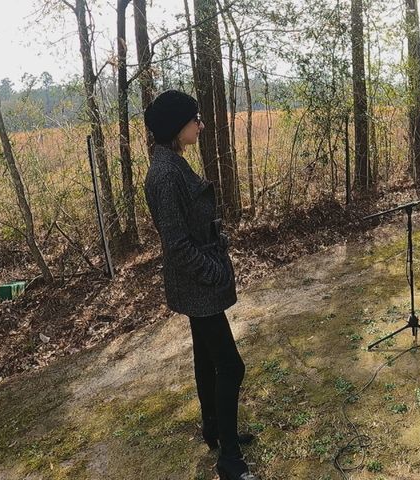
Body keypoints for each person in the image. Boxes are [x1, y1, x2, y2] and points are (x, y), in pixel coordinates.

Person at [144, 90, 256, 480]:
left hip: (197, 283)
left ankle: (216, 433)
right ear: (178, 126)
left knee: (207, 360)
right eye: (195, 119)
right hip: (197, 285)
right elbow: (176, 245)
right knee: (231, 366)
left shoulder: (171, 164)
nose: (201, 125)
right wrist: (215, 272)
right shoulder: (164, 174)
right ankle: (229, 461)